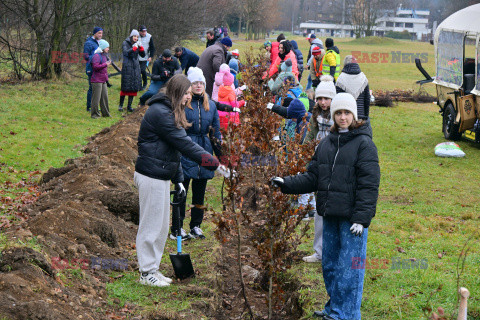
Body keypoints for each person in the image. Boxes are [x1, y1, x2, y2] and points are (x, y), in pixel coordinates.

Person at [271, 92, 380, 320]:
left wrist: (361, 218)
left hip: (352, 220)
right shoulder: (326, 144)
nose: (342, 117)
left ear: (354, 115)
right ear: (332, 115)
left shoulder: (364, 145)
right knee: (330, 265)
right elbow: (313, 177)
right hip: (329, 214)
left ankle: (347, 314)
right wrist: (286, 183)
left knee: (350, 269)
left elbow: (369, 186)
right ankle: (334, 307)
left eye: (346, 113)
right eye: (338, 113)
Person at [134, 74, 220, 287]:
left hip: (162, 174)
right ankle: (146, 273)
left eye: (190, 93)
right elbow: (185, 145)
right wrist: (215, 164)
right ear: (176, 92)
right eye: (186, 93)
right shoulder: (160, 113)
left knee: (162, 227)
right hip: (151, 175)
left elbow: (174, 150)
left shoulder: (171, 110)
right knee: (151, 226)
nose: (189, 97)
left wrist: (179, 179)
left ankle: (153, 269)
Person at [171, 67, 222, 240]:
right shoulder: (183, 103)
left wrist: (221, 157)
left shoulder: (211, 105)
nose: (198, 86)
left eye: (201, 83)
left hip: (205, 151)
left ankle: (196, 225)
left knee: (200, 191)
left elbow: (216, 133)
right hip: (186, 149)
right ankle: (177, 227)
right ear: (189, 85)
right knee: (182, 190)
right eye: (195, 83)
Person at [300, 75, 336, 262]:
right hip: (318, 164)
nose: (323, 102)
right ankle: (320, 252)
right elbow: (308, 140)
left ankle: (334, 250)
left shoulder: (340, 116)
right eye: (320, 98)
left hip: (335, 166)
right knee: (320, 209)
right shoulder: (314, 116)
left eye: (326, 98)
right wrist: (305, 160)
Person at [336, 55, 371, 120]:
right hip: (361, 115)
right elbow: (367, 99)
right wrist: (366, 116)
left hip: (346, 117)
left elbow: (338, 100)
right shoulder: (363, 78)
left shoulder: (341, 78)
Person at [119, 30, 145, 112]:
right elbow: (125, 53)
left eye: (137, 37)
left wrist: (141, 49)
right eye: (134, 36)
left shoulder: (138, 43)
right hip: (127, 66)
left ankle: (129, 106)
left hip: (135, 66)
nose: (136, 38)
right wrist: (133, 48)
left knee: (133, 86)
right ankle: (120, 105)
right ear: (131, 36)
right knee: (125, 86)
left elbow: (143, 55)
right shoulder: (125, 43)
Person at [83, 26, 103, 112]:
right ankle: (89, 107)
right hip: (90, 68)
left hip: (97, 68)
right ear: (94, 33)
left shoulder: (97, 42)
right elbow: (86, 57)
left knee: (96, 88)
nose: (101, 35)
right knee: (92, 88)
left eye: (102, 33)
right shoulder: (88, 43)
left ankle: (94, 105)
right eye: (99, 33)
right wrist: (95, 53)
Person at [90, 39, 111, 118]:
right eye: (107, 47)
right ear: (103, 47)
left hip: (103, 80)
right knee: (96, 99)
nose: (108, 49)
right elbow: (95, 67)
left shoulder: (104, 56)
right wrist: (105, 64)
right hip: (96, 80)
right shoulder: (96, 56)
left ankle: (106, 114)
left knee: (104, 98)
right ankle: (95, 115)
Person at [138, 25, 156, 91]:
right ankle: (138, 85)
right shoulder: (136, 35)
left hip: (145, 57)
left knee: (142, 70)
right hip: (137, 57)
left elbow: (152, 48)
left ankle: (145, 83)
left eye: (145, 31)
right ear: (139, 31)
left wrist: (151, 56)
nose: (144, 33)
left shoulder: (149, 36)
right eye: (142, 31)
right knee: (137, 71)